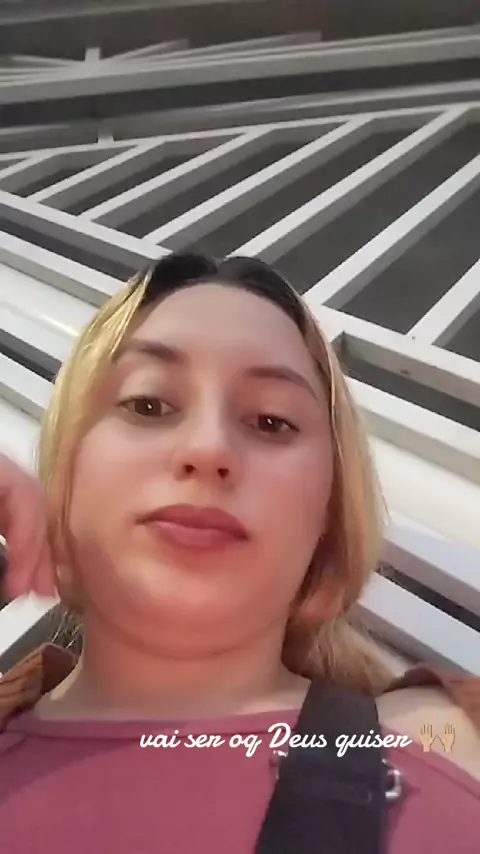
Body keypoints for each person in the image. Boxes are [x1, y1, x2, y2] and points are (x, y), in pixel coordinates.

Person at [0, 253, 478, 853]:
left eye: (272, 421)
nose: (208, 448)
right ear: (65, 472)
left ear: (328, 510)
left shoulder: (448, 742)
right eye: (148, 405)